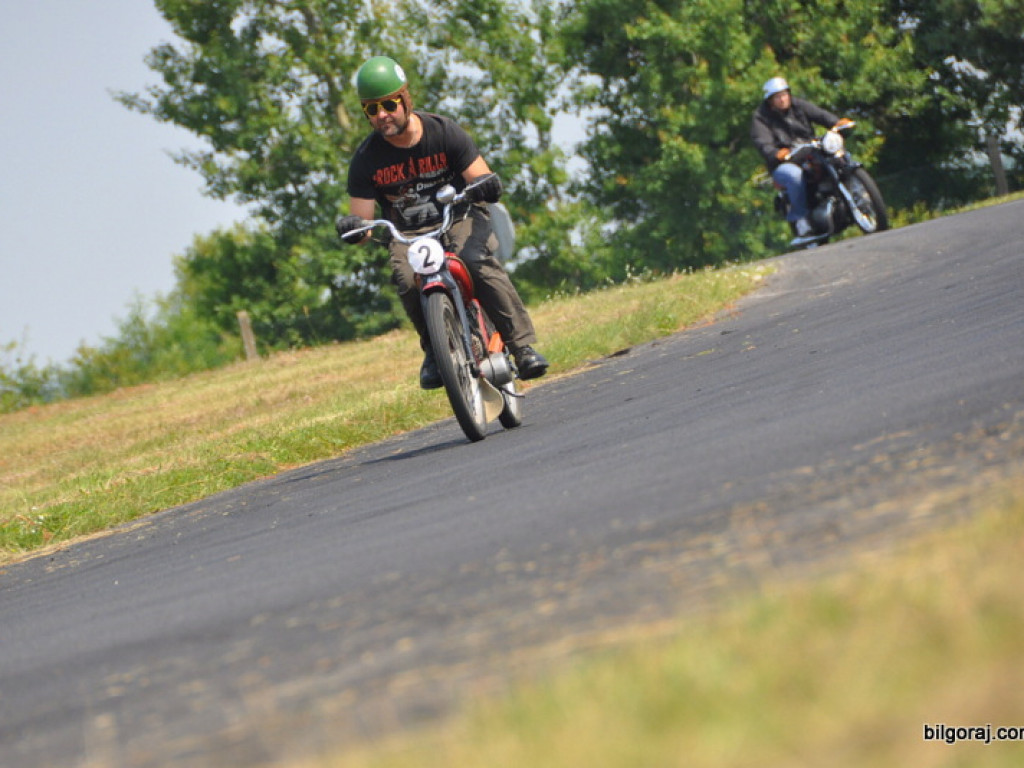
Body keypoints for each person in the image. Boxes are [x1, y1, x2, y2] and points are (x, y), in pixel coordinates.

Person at [335, 55, 549, 389]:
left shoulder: (443, 132)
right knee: (407, 280)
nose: (382, 116)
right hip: (407, 233)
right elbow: (363, 225)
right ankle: (436, 351)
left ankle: (522, 348)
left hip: (459, 216)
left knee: (475, 261)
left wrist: (487, 183)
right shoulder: (366, 159)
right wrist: (353, 229)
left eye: (389, 105)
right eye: (371, 109)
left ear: (406, 98)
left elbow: (479, 176)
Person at [751, 77, 852, 244]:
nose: (783, 99)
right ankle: (801, 221)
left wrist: (836, 122)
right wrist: (776, 152)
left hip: (809, 150)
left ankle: (856, 191)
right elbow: (762, 142)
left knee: (837, 155)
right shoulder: (760, 118)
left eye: (784, 94)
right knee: (795, 176)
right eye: (777, 97)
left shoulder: (798, 105)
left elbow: (819, 114)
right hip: (783, 163)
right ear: (770, 101)